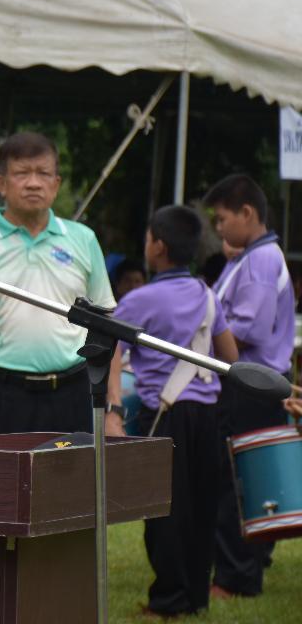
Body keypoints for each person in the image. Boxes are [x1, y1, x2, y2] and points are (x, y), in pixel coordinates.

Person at [104, 206, 238, 617]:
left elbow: (111, 352)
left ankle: (168, 599)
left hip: (165, 415)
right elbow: (230, 356)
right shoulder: (207, 295)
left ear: (158, 246)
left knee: (164, 510)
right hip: (208, 414)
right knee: (202, 505)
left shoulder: (138, 300)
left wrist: (113, 410)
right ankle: (196, 596)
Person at [0, 131, 114, 438]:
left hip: (74, 391)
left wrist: (113, 409)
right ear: (1, 184)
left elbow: (106, 326)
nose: (33, 183)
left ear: (56, 184)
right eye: (22, 173)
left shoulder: (83, 239)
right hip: (0, 393)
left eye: (43, 173)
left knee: (72, 471)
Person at [203, 174, 295, 600]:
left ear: (247, 213)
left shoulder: (260, 261)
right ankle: (245, 565)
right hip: (252, 384)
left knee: (238, 483)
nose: (219, 227)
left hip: (250, 384)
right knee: (246, 479)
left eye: (223, 218)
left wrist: (198, 340)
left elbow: (246, 329)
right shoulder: (253, 256)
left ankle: (236, 579)